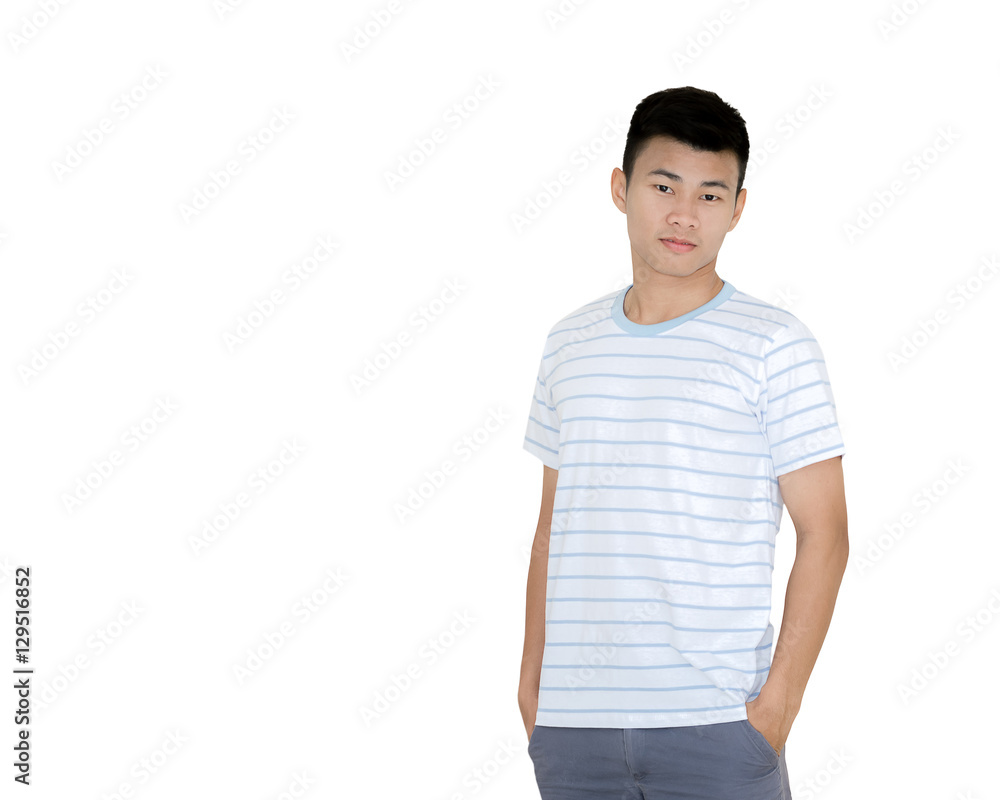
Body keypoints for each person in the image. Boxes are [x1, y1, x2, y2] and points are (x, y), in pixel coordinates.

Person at [519, 86, 849, 799]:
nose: (684, 214)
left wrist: (775, 709)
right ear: (621, 188)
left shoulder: (775, 344)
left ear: (737, 208)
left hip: (718, 726)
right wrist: (533, 688)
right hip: (574, 731)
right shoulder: (568, 343)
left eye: (710, 195)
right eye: (664, 186)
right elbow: (552, 528)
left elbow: (825, 535)